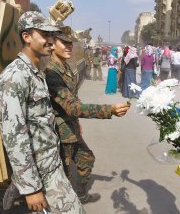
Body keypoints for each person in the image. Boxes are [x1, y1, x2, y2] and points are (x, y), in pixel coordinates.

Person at [0, 11, 84, 213]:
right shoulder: (14, 77)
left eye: (52, 36)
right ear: (26, 37)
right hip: (40, 171)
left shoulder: (35, 72)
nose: (51, 41)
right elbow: (14, 136)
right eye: (44, 35)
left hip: (51, 163)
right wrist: (30, 188)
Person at [44, 33, 130, 204]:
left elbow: (73, 100)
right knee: (64, 175)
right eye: (64, 42)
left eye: (71, 43)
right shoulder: (51, 73)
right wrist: (109, 110)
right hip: (60, 131)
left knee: (86, 159)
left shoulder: (65, 67)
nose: (69, 46)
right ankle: (67, 204)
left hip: (71, 126)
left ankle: (81, 195)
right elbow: (72, 107)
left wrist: (77, 122)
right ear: (52, 44)